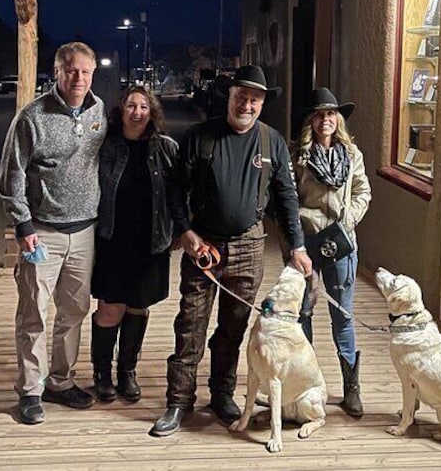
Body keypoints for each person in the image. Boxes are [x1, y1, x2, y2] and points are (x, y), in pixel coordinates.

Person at [150, 65, 313, 437]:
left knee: (233, 328)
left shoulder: (273, 143)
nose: (247, 104)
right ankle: (178, 401)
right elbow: (174, 191)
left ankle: (222, 394)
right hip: (204, 246)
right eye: (242, 96)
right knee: (190, 325)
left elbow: (287, 199)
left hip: (249, 246)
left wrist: (298, 247)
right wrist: (186, 232)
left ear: (262, 103)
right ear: (230, 95)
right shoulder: (199, 137)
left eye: (255, 99)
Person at [0, 42, 107, 425]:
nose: (78, 78)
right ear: (57, 72)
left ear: (93, 74)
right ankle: (30, 390)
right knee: (34, 313)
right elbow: (11, 175)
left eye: (85, 72)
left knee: (74, 310)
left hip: (84, 231)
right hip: (41, 233)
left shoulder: (98, 112)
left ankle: (61, 381)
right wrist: (23, 225)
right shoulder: (33, 117)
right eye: (71, 71)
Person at [90, 85, 178, 403]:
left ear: (152, 112)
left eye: (143, 107)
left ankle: (127, 371)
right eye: (131, 105)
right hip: (112, 238)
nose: (137, 112)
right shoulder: (106, 146)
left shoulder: (165, 148)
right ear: (121, 110)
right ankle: (101, 373)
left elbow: (181, 193)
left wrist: (182, 230)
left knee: (138, 306)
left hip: (151, 241)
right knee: (110, 308)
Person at [292, 87, 371, 418]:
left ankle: (351, 387)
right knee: (303, 312)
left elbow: (362, 191)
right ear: (311, 120)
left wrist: (348, 219)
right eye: (320, 114)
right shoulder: (297, 155)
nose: (326, 119)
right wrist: (301, 226)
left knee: (343, 315)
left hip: (341, 243)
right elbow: (287, 197)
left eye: (331, 114)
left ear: (337, 119)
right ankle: (307, 383)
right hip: (307, 242)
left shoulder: (352, 155)